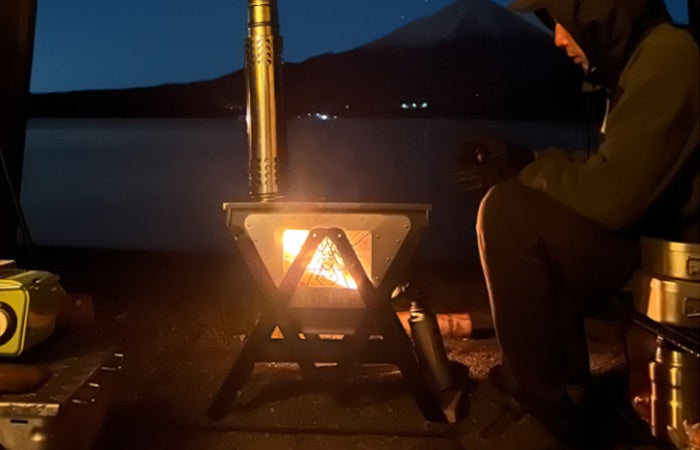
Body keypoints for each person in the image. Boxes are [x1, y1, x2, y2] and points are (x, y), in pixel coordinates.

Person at [476, 0, 699, 444]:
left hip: (676, 248)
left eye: (562, 22)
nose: (558, 38)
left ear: (599, 12)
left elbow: (612, 198)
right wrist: (529, 160)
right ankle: (571, 388)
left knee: (510, 214)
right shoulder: (641, 59)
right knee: (530, 205)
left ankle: (546, 414)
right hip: (657, 233)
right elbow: (615, 167)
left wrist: (531, 171)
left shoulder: (670, 56)